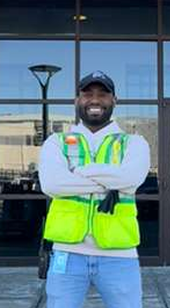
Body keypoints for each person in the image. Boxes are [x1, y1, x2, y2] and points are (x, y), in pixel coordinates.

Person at [39, 70, 151, 308]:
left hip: (119, 256)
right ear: (77, 101)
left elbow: (131, 179)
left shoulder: (133, 142)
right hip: (67, 255)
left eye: (103, 94)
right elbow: (52, 184)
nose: (95, 99)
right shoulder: (56, 141)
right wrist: (111, 180)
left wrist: (78, 171)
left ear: (114, 101)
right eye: (87, 93)